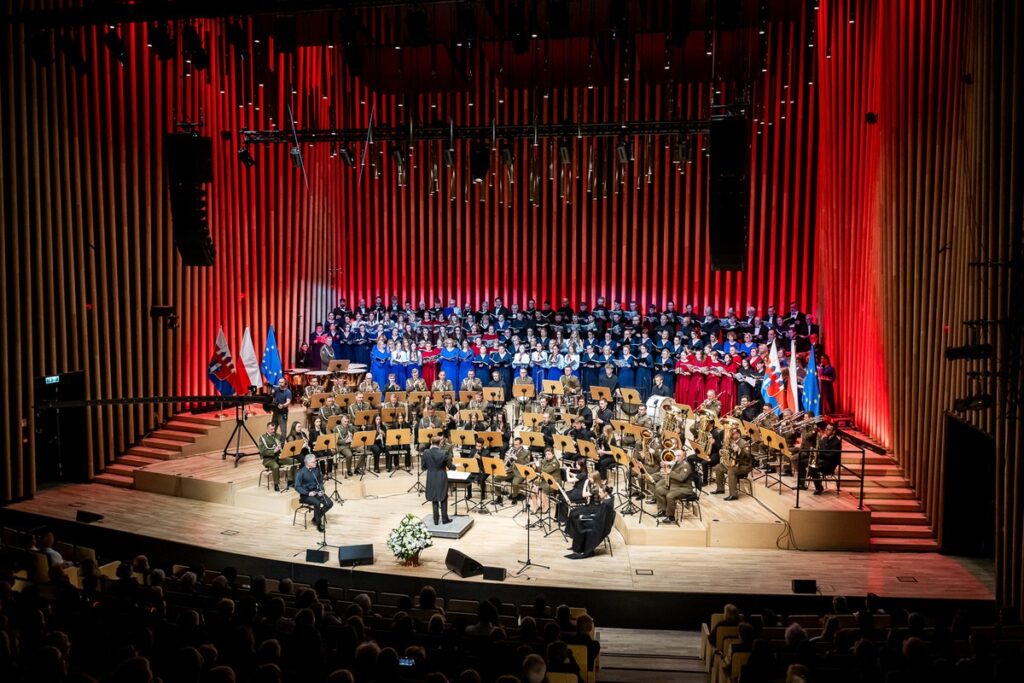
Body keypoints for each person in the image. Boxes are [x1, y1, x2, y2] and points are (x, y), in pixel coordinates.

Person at [565, 485, 615, 559]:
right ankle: (578, 547)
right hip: (603, 523)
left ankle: (580, 549)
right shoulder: (611, 498)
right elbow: (600, 515)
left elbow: (598, 517)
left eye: (600, 492)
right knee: (579, 520)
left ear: (606, 493)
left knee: (579, 522)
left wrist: (585, 517)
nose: (599, 494)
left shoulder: (605, 504)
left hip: (601, 526)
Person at [294, 453, 334, 532]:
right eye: (314, 462)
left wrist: (321, 490)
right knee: (316, 503)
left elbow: (320, 482)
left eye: (315, 461)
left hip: (317, 492)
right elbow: (297, 486)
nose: (316, 463)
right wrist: (307, 493)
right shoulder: (300, 472)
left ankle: (315, 518)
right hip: (306, 495)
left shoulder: (316, 469)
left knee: (329, 503)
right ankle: (319, 523)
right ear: (308, 463)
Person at [711, 428, 753, 501]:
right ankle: (720, 489)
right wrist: (723, 452)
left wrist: (739, 450)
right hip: (734, 464)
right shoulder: (731, 442)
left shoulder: (743, 443)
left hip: (744, 465)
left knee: (731, 471)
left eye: (733, 434)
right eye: (731, 434)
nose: (731, 435)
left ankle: (733, 494)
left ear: (738, 434)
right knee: (718, 467)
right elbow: (729, 453)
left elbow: (748, 456)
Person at [653, 451, 695, 522]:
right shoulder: (675, 463)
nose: (676, 457)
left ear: (684, 457)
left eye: (678, 455)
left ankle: (671, 517)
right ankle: (662, 511)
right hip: (674, 487)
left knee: (670, 496)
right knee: (658, 490)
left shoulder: (685, 465)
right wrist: (665, 466)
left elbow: (681, 478)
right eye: (675, 455)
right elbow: (668, 472)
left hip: (684, 489)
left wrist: (670, 472)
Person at [422, 436, 453, 525]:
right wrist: (455, 467)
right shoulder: (444, 453)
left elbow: (423, 467)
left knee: (434, 497)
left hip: (431, 476)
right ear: (439, 443)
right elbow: (450, 466)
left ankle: (435, 520)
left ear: (431, 443)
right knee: (443, 497)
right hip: (441, 476)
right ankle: (444, 519)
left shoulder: (426, 452)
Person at [809, 423, 842, 494]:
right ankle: (802, 485)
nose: (826, 430)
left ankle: (819, 488)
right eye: (826, 429)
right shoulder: (824, 439)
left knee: (813, 468)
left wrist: (820, 453)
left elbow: (831, 456)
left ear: (834, 431)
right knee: (805, 462)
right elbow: (820, 449)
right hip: (822, 461)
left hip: (830, 464)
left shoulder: (837, 442)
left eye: (828, 429)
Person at [258, 422, 286, 492]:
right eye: (271, 429)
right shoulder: (263, 438)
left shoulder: (278, 436)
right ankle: (276, 484)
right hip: (268, 459)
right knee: (275, 466)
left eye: (274, 429)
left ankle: (292, 480)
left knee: (293, 461)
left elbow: (283, 446)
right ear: (267, 429)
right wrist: (274, 451)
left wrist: (283, 446)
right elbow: (262, 451)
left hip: (278, 457)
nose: (273, 431)